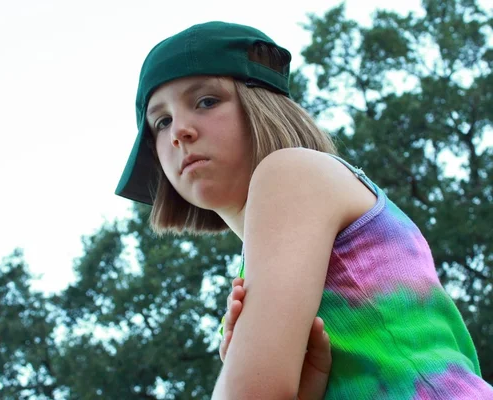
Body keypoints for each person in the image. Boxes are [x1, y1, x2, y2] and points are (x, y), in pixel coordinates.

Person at [114, 21, 493, 399]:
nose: (179, 130)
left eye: (206, 101)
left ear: (262, 105)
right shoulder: (270, 254)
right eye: (161, 121)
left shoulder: (291, 173)